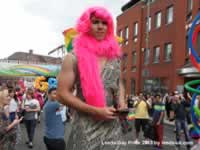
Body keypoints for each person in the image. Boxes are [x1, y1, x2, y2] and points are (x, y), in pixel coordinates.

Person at [57, 6, 126, 150]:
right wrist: (96, 111)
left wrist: (121, 101)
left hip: (112, 127)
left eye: (104, 23)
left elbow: (118, 83)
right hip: (86, 128)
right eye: (95, 22)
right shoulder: (72, 57)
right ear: (86, 25)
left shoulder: (114, 57)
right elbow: (62, 94)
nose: (100, 27)